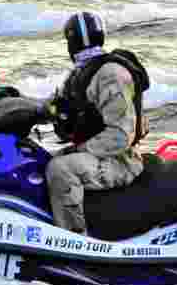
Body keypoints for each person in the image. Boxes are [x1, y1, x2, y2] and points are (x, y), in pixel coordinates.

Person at [43, 12, 151, 235]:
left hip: (121, 160)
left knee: (60, 169)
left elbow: (121, 135)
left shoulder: (110, 74)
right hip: (99, 153)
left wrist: (79, 149)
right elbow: (56, 105)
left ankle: (73, 239)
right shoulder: (81, 72)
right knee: (41, 158)